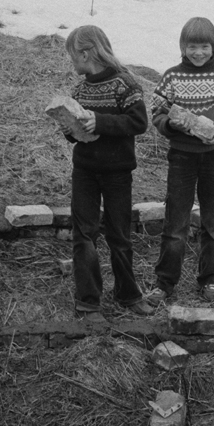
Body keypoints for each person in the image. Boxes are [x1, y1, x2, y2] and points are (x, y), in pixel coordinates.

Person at [148, 17, 214, 304]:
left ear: (213, 47)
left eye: (204, 46)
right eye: (192, 47)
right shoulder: (171, 76)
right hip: (181, 156)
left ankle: (210, 279)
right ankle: (165, 282)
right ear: (183, 47)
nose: (198, 53)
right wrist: (172, 125)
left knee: (212, 220)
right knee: (176, 221)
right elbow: (157, 112)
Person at [60, 25, 153, 321]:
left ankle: (128, 294)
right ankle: (88, 301)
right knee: (84, 234)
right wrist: (70, 129)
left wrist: (100, 122)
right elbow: (79, 134)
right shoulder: (80, 89)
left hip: (117, 173)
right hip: (85, 171)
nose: (72, 62)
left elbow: (138, 122)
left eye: (73, 56)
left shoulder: (124, 84)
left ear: (86, 54)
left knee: (119, 235)